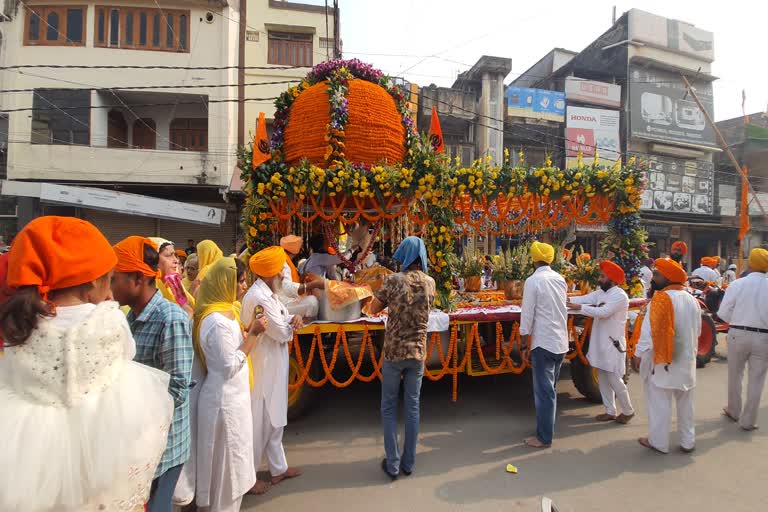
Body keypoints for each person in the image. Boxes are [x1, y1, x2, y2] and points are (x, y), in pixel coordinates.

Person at [0, 217, 173, 512]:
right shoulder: (109, 319)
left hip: (30, 450)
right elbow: (127, 354)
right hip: (102, 443)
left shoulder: (21, 324)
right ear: (94, 280)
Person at [112, 236, 194, 512]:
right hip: (139, 442)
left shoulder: (171, 319)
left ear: (137, 279)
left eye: (115, 278)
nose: (110, 286)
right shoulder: (129, 318)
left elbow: (179, 389)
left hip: (164, 447)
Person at [194, 258, 268, 512]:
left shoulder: (226, 311)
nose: (244, 285)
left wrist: (247, 335)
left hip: (233, 400)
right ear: (225, 283)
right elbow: (228, 366)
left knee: (232, 466)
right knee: (226, 475)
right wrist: (254, 335)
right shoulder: (215, 321)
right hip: (223, 403)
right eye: (241, 280)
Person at [368, 237, 436, 480]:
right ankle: (409, 462)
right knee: (413, 406)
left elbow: (374, 309)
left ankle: (393, 464)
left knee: (388, 407)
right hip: (417, 353)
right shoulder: (430, 283)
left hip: (394, 353)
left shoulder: (394, 281)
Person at [242, 246, 304, 493]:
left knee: (275, 420)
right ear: (270, 274)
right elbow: (278, 332)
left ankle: (278, 469)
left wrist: (292, 321)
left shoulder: (270, 293)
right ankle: (249, 477)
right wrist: (292, 326)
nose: (283, 275)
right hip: (263, 365)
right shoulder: (258, 298)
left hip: (275, 364)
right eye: (281, 271)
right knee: (261, 424)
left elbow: (283, 318)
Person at [632, 258, 701, 454]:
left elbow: (649, 333)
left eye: (656, 274)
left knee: (659, 402)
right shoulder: (692, 300)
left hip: (664, 361)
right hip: (687, 360)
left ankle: (659, 442)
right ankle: (688, 442)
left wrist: (637, 354)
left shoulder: (660, 299)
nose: (652, 278)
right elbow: (696, 331)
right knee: (686, 404)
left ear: (667, 278)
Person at [568, 261, 635, 424]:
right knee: (603, 377)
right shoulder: (600, 293)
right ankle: (610, 411)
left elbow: (603, 312)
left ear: (612, 279)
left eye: (602, 276)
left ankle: (628, 410)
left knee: (614, 379)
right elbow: (584, 298)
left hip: (613, 343)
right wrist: (564, 298)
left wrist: (579, 307)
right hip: (600, 342)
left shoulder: (620, 295)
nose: (599, 278)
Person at [520, 241, 569, 449]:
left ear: (534, 259)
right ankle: (545, 429)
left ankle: (544, 437)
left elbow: (527, 315)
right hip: (560, 341)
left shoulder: (533, 281)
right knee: (550, 390)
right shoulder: (560, 279)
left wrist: (523, 344)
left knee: (544, 392)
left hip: (544, 343)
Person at [718, 248, 768, 431]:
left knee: (735, 375)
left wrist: (740, 316)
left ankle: (733, 410)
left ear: (750, 264)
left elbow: (723, 314)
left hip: (738, 334)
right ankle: (748, 422)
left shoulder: (738, 284)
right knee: (757, 380)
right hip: (764, 337)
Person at [278, 235, 324, 319]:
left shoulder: (284, 259)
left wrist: (301, 278)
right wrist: (313, 285)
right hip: (283, 305)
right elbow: (287, 288)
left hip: (285, 302)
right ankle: (307, 326)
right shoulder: (283, 263)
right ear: (296, 250)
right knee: (312, 301)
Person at [150, 237, 195, 316]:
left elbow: (188, 306)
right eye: (169, 255)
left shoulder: (174, 282)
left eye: (174, 255)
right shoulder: (148, 290)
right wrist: (187, 312)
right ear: (152, 259)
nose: (176, 261)